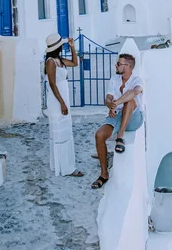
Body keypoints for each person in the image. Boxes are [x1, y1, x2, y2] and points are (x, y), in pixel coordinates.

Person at [91, 53, 144, 189]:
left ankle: (120, 136)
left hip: (134, 118)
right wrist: (110, 105)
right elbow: (108, 98)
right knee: (99, 135)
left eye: (119, 64)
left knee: (129, 101)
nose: (116, 65)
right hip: (118, 114)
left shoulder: (137, 80)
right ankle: (104, 174)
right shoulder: (114, 79)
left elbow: (134, 92)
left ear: (128, 66)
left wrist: (117, 102)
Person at [45, 32, 83, 177]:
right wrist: (62, 103)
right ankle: (65, 168)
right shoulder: (50, 62)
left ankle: (63, 165)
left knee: (65, 131)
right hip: (57, 101)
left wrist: (72, 47)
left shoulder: (58, 60)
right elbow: (53, 84)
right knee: (60, 131)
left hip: (62, 99)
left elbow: (75, 63)